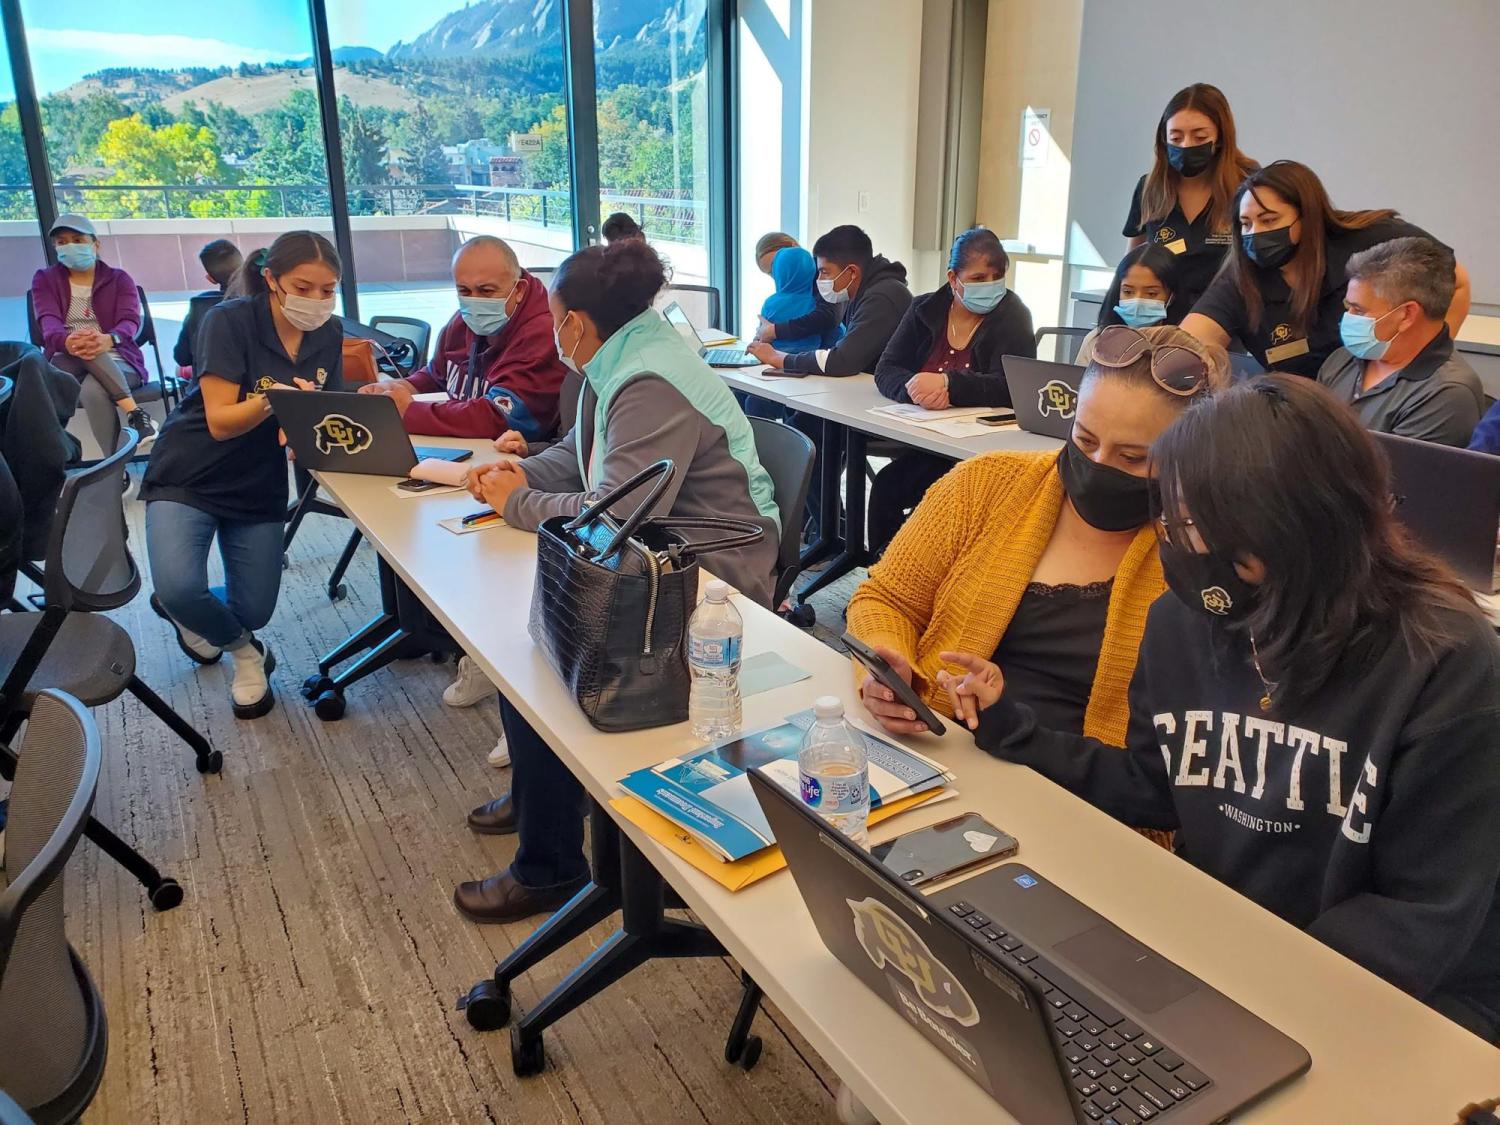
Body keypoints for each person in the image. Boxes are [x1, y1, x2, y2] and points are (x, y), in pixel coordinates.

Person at [942, 375, 1500, 1043]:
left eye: (1215, 528)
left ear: (1305, 527)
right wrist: (1012, 726)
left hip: (1398, 994)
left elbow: (1421, 914)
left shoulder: (1444, 659)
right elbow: (1156, 786)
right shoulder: (1181, 624)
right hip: (1227, 948)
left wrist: (1235, 999)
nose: (1190, 549)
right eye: (1179, 522)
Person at [453, 239, 782, 922]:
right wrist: (515, 474)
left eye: (553, 318)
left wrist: (516, 503)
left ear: (576, 322)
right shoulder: (620, 357)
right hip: (660, 548)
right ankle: (544, 795)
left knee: (539, 648)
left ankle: (549, 864)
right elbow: (584, 463)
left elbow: (612, 517)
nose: (550, 330)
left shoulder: (648, 380)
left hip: (711, 567)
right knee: (528, 640)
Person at [848, 325, 1228, 838]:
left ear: (1189, 457)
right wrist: (887, 663)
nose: (1097, 466)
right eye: (1085, 439)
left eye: (1133, 458)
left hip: (1092, 810)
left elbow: (1179, 766)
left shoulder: (1201, 553)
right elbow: (886, 598)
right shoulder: (987, 484)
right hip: (941, 763)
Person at [140, 231, 343, 719]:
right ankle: (247, 654)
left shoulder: (329, 333)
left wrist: (305, 427)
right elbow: (220, 421)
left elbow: (324, 410)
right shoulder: (228, 320)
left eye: (328, 290)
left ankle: (199, 617)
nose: (316, 300)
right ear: (271, 278)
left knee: (254, 610)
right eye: (304, 287)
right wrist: (276, 401)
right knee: (178, 587)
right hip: (192, 468)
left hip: (257, 476)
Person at [1183, 160, 1471, 378]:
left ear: (1307, 217)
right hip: (1307, 412)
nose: (1255, 233)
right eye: (1246, 224)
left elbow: (1456, 282)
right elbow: (1189, 341)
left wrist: (1429, 359)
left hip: (1386, 400)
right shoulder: (1243, 278)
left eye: (1269, 220)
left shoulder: (1372, 240)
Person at [865, 228, 1037, 555]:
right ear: (953, 278)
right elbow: (887, 368)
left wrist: (950, 385)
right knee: (887, 487)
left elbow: (1013, 385)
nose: (990, 285)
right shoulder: (923, 309)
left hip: (980, 450)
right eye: (978, 278)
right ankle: (881, 573)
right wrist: (915, 390)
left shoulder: (1013, 315)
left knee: (931, 506)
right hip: (925, 439)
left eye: (997, 276)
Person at [358, 236, 568, 441]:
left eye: (486, 291)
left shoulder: (543, 335)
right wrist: (397, 389)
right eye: (464, 291)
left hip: (518, 455)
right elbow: (437, 376)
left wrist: (411, 411)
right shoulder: (461, 321)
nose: (474, 301)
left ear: (519, 290)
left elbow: (499, 417)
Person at [1315, 237, 1483, 447]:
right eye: (1348, 306)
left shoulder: (1447, 394)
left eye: (1358, 310)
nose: (1348, 317)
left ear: (1406, 315)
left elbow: (1395, 469)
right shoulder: (1343, 359)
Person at [1123, 83, 1259, 312]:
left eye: (1199, 137)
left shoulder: (1248, 186)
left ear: (1220, 137)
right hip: (1160, 315)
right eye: (1176, 138)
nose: (1186, 146)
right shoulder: (1149, 188)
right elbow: (1132, 264)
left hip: (1226, 315)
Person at [30, 213, 158, 452]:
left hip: (120, 360)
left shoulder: (119, 279)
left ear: (95, 244)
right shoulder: (45, 279)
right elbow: (48, 323)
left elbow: (130, 321)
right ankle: (137, 415)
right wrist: (68, 341)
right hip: (65, 361)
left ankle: (114, 468)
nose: (69, 246)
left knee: (92, 390)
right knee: (85, 344)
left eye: (78, 240)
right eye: (62, 242)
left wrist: (110, 339)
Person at [747, 224, 911, 375]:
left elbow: (842, 360)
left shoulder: (882, 298)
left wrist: (776, 357)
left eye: (825, 272)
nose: (819, 280)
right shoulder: (859, 293)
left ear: (852, 272)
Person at [1075, 243, 1190, 367]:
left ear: (1172, 296)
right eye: (1128, 292)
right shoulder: (1096, 341)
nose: (1137, 301)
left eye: (1151, 293)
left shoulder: (1184, 348)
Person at [173, 238, 243, 375]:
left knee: (180, 372)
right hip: (260, 383)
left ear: (211, 278)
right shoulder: (263, 299)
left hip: (210, 382)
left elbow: (182, 357)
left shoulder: (200, 304)